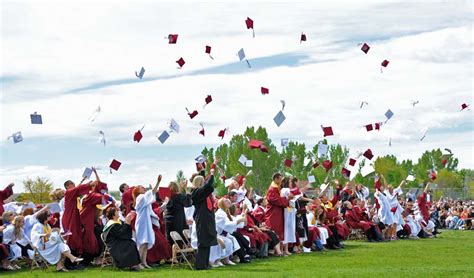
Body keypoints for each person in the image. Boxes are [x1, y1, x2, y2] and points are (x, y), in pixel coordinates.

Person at [132, 174, 162, 268]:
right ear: (137, 191)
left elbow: (151, 194)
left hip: (145, 221)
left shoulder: (143, 198)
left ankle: (144, 262)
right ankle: (140, 263)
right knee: (142, 242)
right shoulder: (140, 197)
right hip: (142, 222)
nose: (143, 188)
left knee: (145, 243)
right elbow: (151, 193)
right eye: (141, 187)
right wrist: (158, 182)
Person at [191, 166, 217, 270]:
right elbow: (208, 186)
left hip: (207, 219)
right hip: (201, 219)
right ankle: (200, 264)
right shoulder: (196, 192)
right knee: (203, 242)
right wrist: (212, 174)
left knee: (208, 241)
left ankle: (205, 263)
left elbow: (207, 188)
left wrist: (203, 171)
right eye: (202, 181)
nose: (204, 183)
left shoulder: (202, 192)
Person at [61, 177, 93, 260]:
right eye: (72, 184)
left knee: (77, 234)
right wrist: (84, 182)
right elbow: (77, 189)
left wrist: (89, 185)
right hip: (69, 217)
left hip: (74, 216)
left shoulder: (73, 194)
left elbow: (78, 190)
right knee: (72, 236)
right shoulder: (68, 192)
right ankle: (70, 257)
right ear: (67, 186)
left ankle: (77, 256)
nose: (74, 185)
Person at [102, 206, 141, 270]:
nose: (118, 212)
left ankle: (133, 265)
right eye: (116, 212)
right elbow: (121, 234)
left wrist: (127, 223)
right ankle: (131, 265)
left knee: (131, 242)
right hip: (114, 244)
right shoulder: (112, 224)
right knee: (131, 244)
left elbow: (123, 233)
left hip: (118, 241)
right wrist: (127, 224)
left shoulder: (117, 221)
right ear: (113, 215)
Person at [264, 173, 289, 256]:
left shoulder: (276, 187)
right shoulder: (272, 188)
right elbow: (274, 200)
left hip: (277, 212)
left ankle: (277, 251)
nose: (281, 181)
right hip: (273, 213)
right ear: (275, 179)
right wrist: (285, 200)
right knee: (274, 230)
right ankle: (275, 251)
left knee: (278, 230)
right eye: (280, 179)